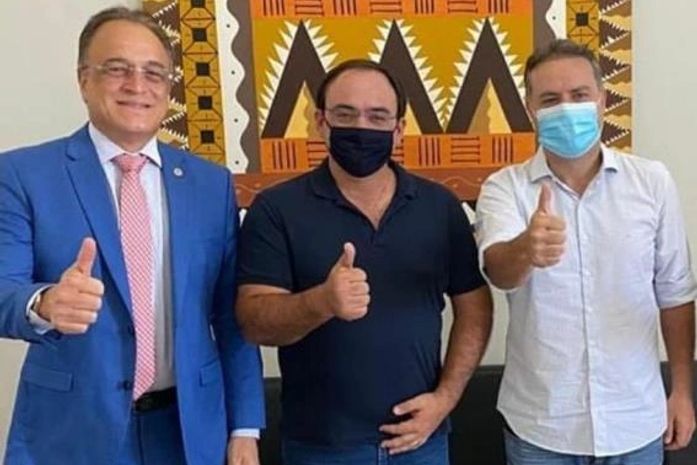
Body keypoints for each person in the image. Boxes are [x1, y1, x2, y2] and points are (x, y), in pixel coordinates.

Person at [0, 7, 264, 465]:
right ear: (84, 79)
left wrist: (244, 427)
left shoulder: (210, 185)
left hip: (187, 429)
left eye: (153, 73)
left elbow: (230, 315)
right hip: (72, 430)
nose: (137, 85)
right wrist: (43, 303)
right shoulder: (23, 174)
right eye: (117, 69)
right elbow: (4, 288)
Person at [235, 58, 493, 464]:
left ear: (399, 129)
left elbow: (475, 307)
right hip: (321, 447)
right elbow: (253, 320)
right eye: (345, 114)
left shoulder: (439, 206)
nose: (361, 127)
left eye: (377, 116)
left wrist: (445, 399)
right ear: (320, 122)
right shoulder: (276, 209)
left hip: (421, 442)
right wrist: (321, 301)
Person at [476, 39, 696, 464]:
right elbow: (498, 270)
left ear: (602, 100)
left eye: (579, 95)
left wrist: (683, 392)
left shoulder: (652, 182)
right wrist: (526, 249)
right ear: (530, 110)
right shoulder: (504, 187)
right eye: (550, 100)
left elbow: (675, 293)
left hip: (636, 420)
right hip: (541, 427)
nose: (567, 108)